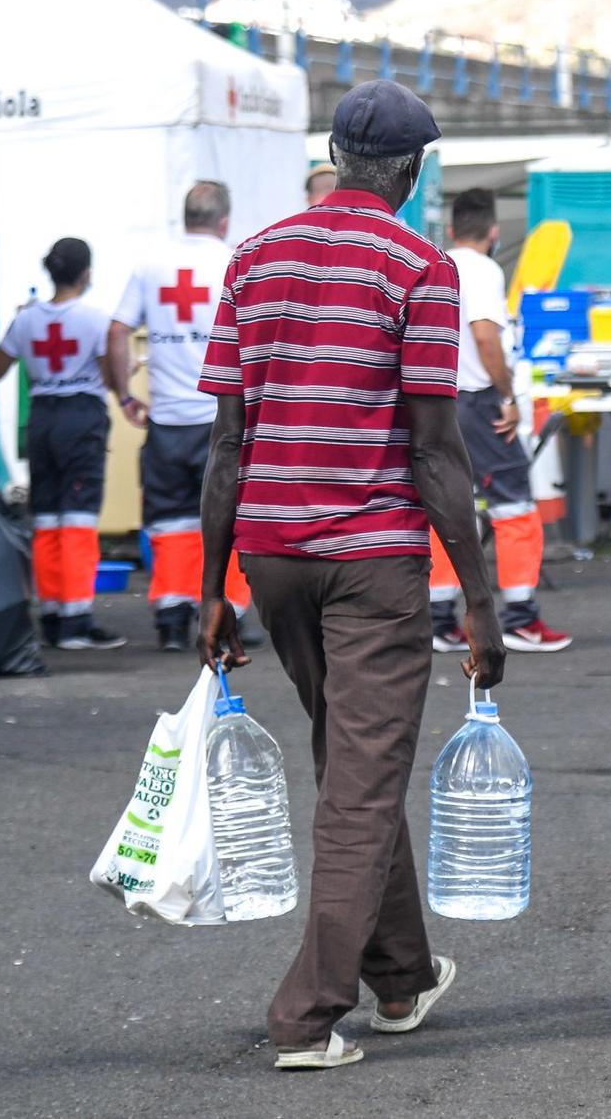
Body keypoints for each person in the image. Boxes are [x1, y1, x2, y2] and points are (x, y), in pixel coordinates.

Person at [196, 79, 505, 1070]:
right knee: (362, 785)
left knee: (352, 763)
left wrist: (211, 587)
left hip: (271, 556)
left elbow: (227, 447)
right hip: (369, 559)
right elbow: (433, 452)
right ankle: (306, 1012)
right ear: (413, 173)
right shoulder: (418, 265)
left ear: (332, 153)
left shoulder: (252, 259)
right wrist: (483, 601)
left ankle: (402, 975)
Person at [106, 180, 262, 652]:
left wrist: (125, 397)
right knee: (232, 517)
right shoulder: (236, 261)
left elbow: (117, 332)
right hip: (223, 418)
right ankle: (231, 613)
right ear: (223, 220)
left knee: (170, 519)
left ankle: (172, 618)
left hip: (167, 421)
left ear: (186, 217)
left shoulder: (150, 265)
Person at [427, 188, 571, 654]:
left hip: (437, 404)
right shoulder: (484, 270)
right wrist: (508, 395)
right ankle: (521, 617)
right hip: (478, 401)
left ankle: (437, 617)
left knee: (448, 510)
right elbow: (486, 336)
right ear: (493, 233)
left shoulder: (431, 265)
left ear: (450, 230)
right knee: (515, 510)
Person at [0, 238, 134, 650]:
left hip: (42, 418)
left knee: (47, 518)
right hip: (80, 419)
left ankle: (51, 612)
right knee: (79, 519)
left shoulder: (27, 320)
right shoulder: (93, 320)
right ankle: (77, 618)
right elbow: (108, 378)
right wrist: (128, 370)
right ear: (86, 274)